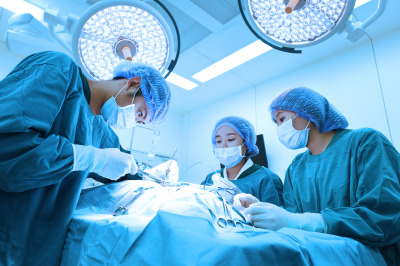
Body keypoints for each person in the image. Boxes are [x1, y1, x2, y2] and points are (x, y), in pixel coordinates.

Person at [0, 51, 171, 266]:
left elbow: (128, 173)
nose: (134, 123)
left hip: (41, 249)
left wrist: (152, 179)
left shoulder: (103, 133)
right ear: (132, 84)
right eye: (140, 114)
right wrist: (89, 158)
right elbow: (6, 146)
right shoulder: (57, 70)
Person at [234, 87, 400, 265]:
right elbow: (293, 222)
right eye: (277, 123)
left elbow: (383, 216)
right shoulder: (296, 168)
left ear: (307, 112)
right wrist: (263, 213)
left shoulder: (365, 142)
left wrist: (305, 221)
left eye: (282, 119)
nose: (280, 128)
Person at [201, 116, 283, 206]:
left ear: (247, 142)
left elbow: (277, 218)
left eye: (230, 139)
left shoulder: (266, 179)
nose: (223, 146)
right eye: (219, 141)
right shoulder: (211, 178)